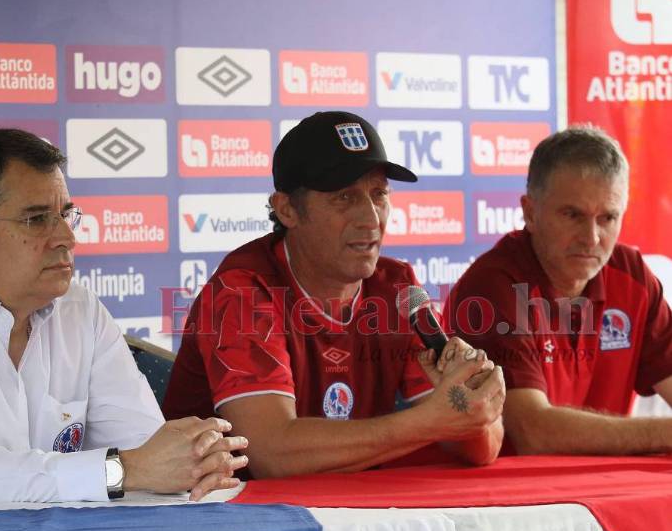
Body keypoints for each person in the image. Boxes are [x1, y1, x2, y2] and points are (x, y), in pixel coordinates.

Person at [0, 129, 247, 509]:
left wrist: (190, 463)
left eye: (66, 214)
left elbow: (147, 450)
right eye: (36, 220)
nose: (67, 237)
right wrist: (120, 471)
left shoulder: (80, 309)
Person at [163, 111, 505, 478]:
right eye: (344, 197)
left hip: (347, 514)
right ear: (287, 209)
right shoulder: (243, 289)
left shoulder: (398, 287)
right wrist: (432, 421)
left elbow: (483, 449)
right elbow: (270, 452)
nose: (371, 218)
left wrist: (471, 403)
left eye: (379, 194)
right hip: (227, 519)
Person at [444, 126, 672, 455]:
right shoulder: (494, 287)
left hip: (604, 491)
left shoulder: (631, 275)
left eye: (607, 218)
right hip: (510, 500)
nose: (591, 237)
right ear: (530, 212)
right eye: (573, 215)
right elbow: (534, 433)